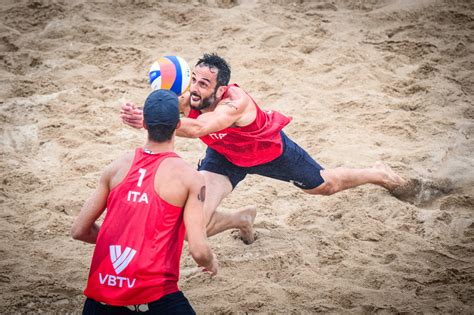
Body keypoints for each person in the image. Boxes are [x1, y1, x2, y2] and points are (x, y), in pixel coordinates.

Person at [121, 53, 405, 245]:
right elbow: (168, 112)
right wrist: (142, 114)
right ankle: (241, 218)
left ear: (221, 89)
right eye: (194, 79)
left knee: (326, 186)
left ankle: (377, 173)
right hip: (224, 158)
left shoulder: (235, 102)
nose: (194, 88)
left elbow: (198, 128)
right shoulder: (190, 96)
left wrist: (150, 121)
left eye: (204, 84)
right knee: (192, 228)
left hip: (270, 153)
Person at [72, 89, 218, 314]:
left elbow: (79, 230)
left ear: (145, 124)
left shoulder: (116, 167)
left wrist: (126, 245)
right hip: (155, 298)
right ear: (178, 126)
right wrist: (210, 263)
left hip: (99, 300)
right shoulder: (190, 178)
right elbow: (199, 251)